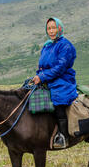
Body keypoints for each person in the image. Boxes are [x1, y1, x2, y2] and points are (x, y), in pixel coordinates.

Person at [32, 17, 78, 149]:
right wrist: (38, 75)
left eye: (53, 28)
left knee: (58, 100)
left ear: (60, 28)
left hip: (62, 79)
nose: (51, 31)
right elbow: (42, 65)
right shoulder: (47, 46)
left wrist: (43, 76)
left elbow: (60, 67)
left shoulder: (66, 45)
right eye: (48, 28)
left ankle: (63, 136)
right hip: (47, 78)